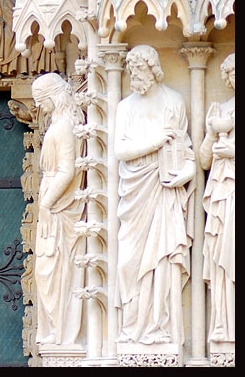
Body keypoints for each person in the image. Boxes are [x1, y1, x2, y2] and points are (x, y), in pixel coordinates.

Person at [114, 45, 194, 345]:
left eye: (139, 70)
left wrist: (186, 174)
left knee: (162, 259)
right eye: (131, 71)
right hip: (134, 191)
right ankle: (132, 326)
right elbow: (120, 150)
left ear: (153, 68)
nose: (135, 76)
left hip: (164, 189)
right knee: (128, 261)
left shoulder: (174, 101)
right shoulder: (124, 106)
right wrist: (155, 141)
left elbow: (186, 150)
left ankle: (159, 327)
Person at [31, 73, 85, 345]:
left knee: (53, 269)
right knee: (47, 270)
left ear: (53, 96)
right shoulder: (58, 124)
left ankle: (61, 333)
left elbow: (68, 170)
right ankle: (54, 330)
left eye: (41, 100)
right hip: (53, 204)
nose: (38, 107)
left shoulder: (63, 127)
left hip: (59, 206)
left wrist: (47, 201)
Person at [200, 53, 235, 344]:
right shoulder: (220, 110)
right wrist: (211, 134)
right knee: (222, 254)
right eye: (231, 72)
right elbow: (202, 160)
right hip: (223, 192)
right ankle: (224, 325)